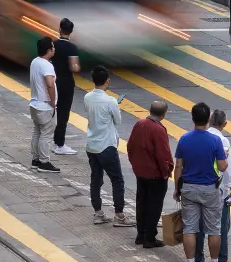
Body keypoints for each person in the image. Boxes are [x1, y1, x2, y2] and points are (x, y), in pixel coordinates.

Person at [174, 102, 229, 262]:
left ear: (192, 118)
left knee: (189, 228)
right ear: (208, 120)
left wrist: (177, 188)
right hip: (210, 189)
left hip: (189, 188)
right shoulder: (215, 140)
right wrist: (225, 158)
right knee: (213, 229)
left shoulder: (184, 139)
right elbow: (222, 167)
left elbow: (178, 166)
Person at [83, 67, 129, 227]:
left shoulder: (87, 97)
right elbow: (118, 120)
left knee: (96, 180)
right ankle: (119, 215)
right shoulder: (110, 101)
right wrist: (115, 105)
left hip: (91, 145)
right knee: (117, 180)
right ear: (107, 81)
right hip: (107, 146)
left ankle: (98, 213)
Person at [128, 100, 174, 249]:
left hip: (140, 172)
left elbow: (130, 145)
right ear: (164, 114)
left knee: (142, 203)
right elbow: (163, 154)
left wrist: (134, 163)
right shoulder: (159, 129)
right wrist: (166, 171)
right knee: (154, 206)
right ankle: (150, 237)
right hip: (155, 174)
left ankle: (140, 235)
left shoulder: (139, 124)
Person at [194, 110, 231, 262]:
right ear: (224, 124)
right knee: (220, 228)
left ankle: (197, 261)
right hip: (218, 191)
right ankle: (219, 261)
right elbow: (228, 169)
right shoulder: (222, 140)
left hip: (196, 187)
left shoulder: (197, 136)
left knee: (196, 227)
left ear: (209, 121)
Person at [28, 37, 60, 173]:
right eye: (53, 47)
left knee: (37, 132)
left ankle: (35, 160)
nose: (54, 49)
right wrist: (53, 103)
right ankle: (44, 162)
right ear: (48, 50)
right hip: (45, 105)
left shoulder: (35, 62)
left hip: (34, 104)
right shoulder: (47, 65)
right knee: (46, 135)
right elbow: (50, 84)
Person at [51, 19, 81, 156]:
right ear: (71, 31)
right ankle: (59, 144)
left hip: (53, 81)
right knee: (63, 114)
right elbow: (74, 67)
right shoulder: (72, 48)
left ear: (59, 29)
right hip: (67, 83)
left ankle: (48, 140)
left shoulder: (53, 45)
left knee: (51, 111)